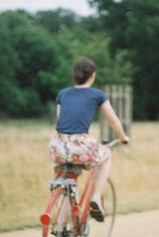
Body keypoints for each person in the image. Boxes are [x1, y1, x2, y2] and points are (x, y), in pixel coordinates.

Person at [49, 56, 130, 223]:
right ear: (92, 75)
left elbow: (61, 122)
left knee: (68, 181)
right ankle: (96, 197)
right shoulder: (98, 95)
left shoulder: (62, 94)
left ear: (74, 75)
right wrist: (123, 138)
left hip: (58, 146)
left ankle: (61, 235)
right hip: (80, 145)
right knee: (106, 154)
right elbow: (114, 120)